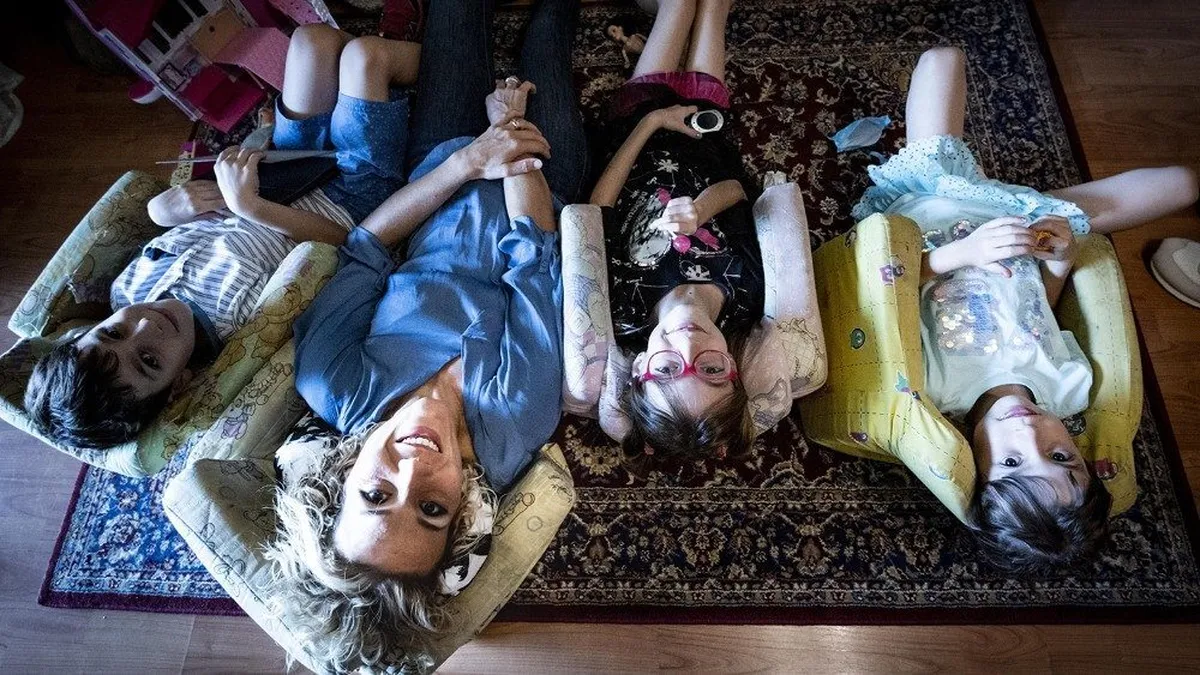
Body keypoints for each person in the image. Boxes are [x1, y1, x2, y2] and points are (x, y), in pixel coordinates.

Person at [266, 1, 587, 671]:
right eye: (432, 507)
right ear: (462, 510)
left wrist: (471, 157)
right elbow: (536, 265)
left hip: (441, 167)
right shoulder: (516, 419)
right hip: (543, 177)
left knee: (454, 13)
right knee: (551, 32)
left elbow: (366, 248)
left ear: (340, 481)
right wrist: (513, 136)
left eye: (377, 495)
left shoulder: (332, 380)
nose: (413, 468)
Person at [851, 46, 1199, 572]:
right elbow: (1045, 309)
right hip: (1023, 224)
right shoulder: (1067, 386)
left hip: (933, 211)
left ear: (975, 467)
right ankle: (1020, 195)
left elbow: (892, 286)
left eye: (1013, 461)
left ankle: (986, 183)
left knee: (943, 59)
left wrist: (963, 253)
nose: (1033, 433)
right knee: (1183, 183)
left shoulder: (937, 391)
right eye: (1061, 456)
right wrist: (1060, 257)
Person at [24, 25, 421, 450]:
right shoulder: (237, 323)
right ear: (179, 383)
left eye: (113, 334)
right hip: (350, 193)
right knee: (364, 57)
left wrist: (164, 210)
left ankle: (383, 88)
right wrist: (251, 208)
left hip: (283, 167)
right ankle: (451, 73)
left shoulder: (128, 290)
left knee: (312, 42)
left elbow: (180, 218)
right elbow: (345, 241)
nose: (144, 326)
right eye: (149, 361)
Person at [590, 0, 762, 465]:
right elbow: (737, 190)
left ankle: (654, 28)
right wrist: (702, 208)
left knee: (679, 4)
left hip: (638, 121)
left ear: (639, 368)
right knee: (713, 7)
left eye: (667, 368)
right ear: (734, 369)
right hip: (708, 129)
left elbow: (598, 209)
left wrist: (651, 123)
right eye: (711, 369)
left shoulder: (623, 309)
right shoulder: (746, 294)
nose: (688, 342)